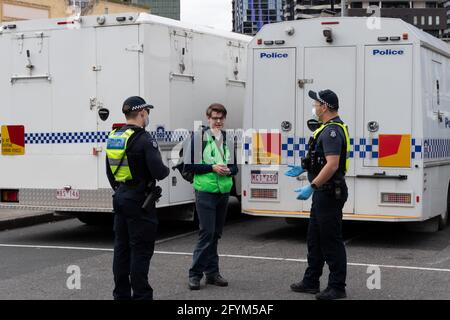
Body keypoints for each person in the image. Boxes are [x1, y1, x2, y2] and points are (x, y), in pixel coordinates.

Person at [285, 89, 350, 300]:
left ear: (325, 106)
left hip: (329, 193)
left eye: (316, 103)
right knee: (314, 239)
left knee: (331, 240)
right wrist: (304, 168)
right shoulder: (325, 129)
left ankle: (337, 287)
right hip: (323, 192)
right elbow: (320, 160)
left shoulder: (332, 131)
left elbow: (332, 165)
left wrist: (311, 186)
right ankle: (311, 281)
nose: (314, 107)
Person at [106, 96, 169, 300]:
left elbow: (110, 172)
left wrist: (122, 189)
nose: (147, 116)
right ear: (142, 113)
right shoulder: (145, 139)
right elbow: (159, 172)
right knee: (140, 250)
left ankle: (121, 295)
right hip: (139, 201)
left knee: (121, 249)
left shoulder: (115, 135)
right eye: (147, 112)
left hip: (121, 196)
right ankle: (141, 296)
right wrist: (167, 169)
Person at [184, 103, 238, 290]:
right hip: (205, 192)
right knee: (206, 233)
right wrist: (212, 167)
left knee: (215, 234)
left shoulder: (228, 138)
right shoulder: (199, 138)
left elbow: (235, 167)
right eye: (214, 118)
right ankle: (195, 275)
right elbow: (188, 166)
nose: (218, 121)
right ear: (208, 118)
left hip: (223, 193)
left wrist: (228, 170)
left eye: (221, 118)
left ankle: (212, 274)